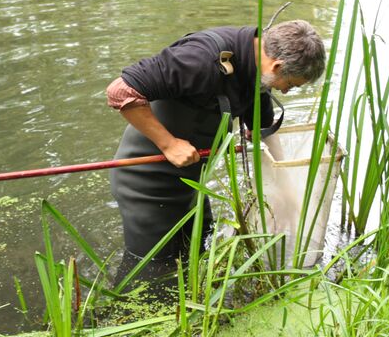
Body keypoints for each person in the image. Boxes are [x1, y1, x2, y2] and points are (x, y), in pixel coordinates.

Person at [106, 20, 326, 269]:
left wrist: (287, 190)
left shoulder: (259, 73)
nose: (286, 92)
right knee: (152, 269)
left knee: (199, 252)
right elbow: (120, 91)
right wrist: (168, 144)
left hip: (192, 182)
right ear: (277, 66)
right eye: (291, 85)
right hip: (146, 186)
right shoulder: (200, 59)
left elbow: (262, 130)